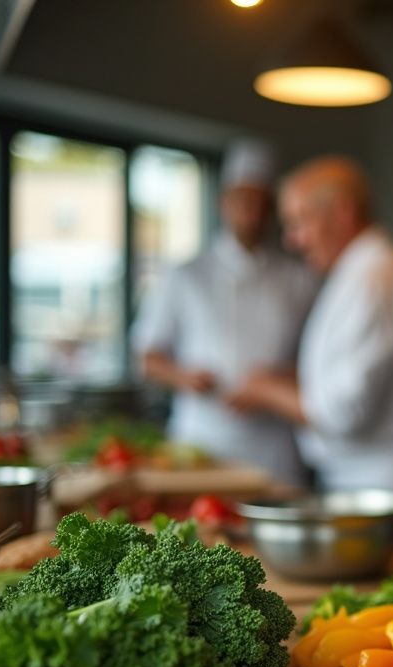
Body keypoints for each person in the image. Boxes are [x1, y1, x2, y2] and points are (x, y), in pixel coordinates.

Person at [225, 156, 393, 532]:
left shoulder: (374, 279)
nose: (292, 239)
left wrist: (265, 389)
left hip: (388, 487)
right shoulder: (361, 273)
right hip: (370, 481)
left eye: (300, 221)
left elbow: (342, 412)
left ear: (343, 212)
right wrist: (285, 376)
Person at [132, 140, 318, 486]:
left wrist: (272, 382)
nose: (253, 213)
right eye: (244, 201)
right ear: (224, 202)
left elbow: (318, 357)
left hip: (274, 444)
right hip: (202, 439)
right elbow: (147, 357)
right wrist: (184, 377)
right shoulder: (186, 275)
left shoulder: (299, 279)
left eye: (262, 203)